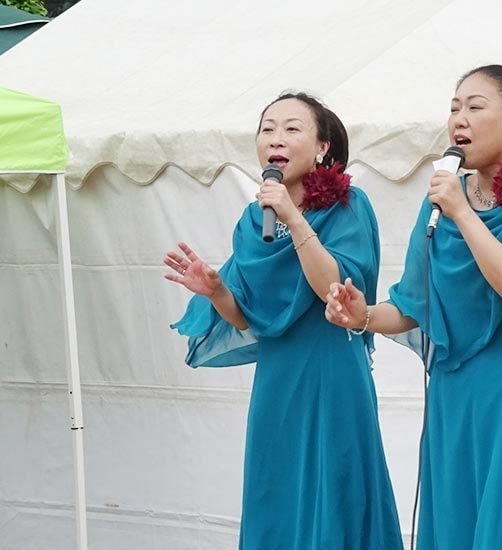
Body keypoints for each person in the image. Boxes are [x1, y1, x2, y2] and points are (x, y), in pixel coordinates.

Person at [325, 65, 502, 549]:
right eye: (454, 108)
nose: (459, 119)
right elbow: (412, 306)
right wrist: (362, 315)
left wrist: (460, 211)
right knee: (458, 521)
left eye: (475, 107)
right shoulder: (442, 203)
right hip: (456, 392)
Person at [164, 92, 403, 550]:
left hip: (334, 371)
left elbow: (332, 289)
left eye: (292, 129)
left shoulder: (349, 205)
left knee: (337, 490)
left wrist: (294, 218)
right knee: (275, 493)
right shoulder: (252, 221)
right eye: (267, 129)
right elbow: (248, 317)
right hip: (277, 378)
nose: (275, 138)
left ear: (322, 147)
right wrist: (216, 291)